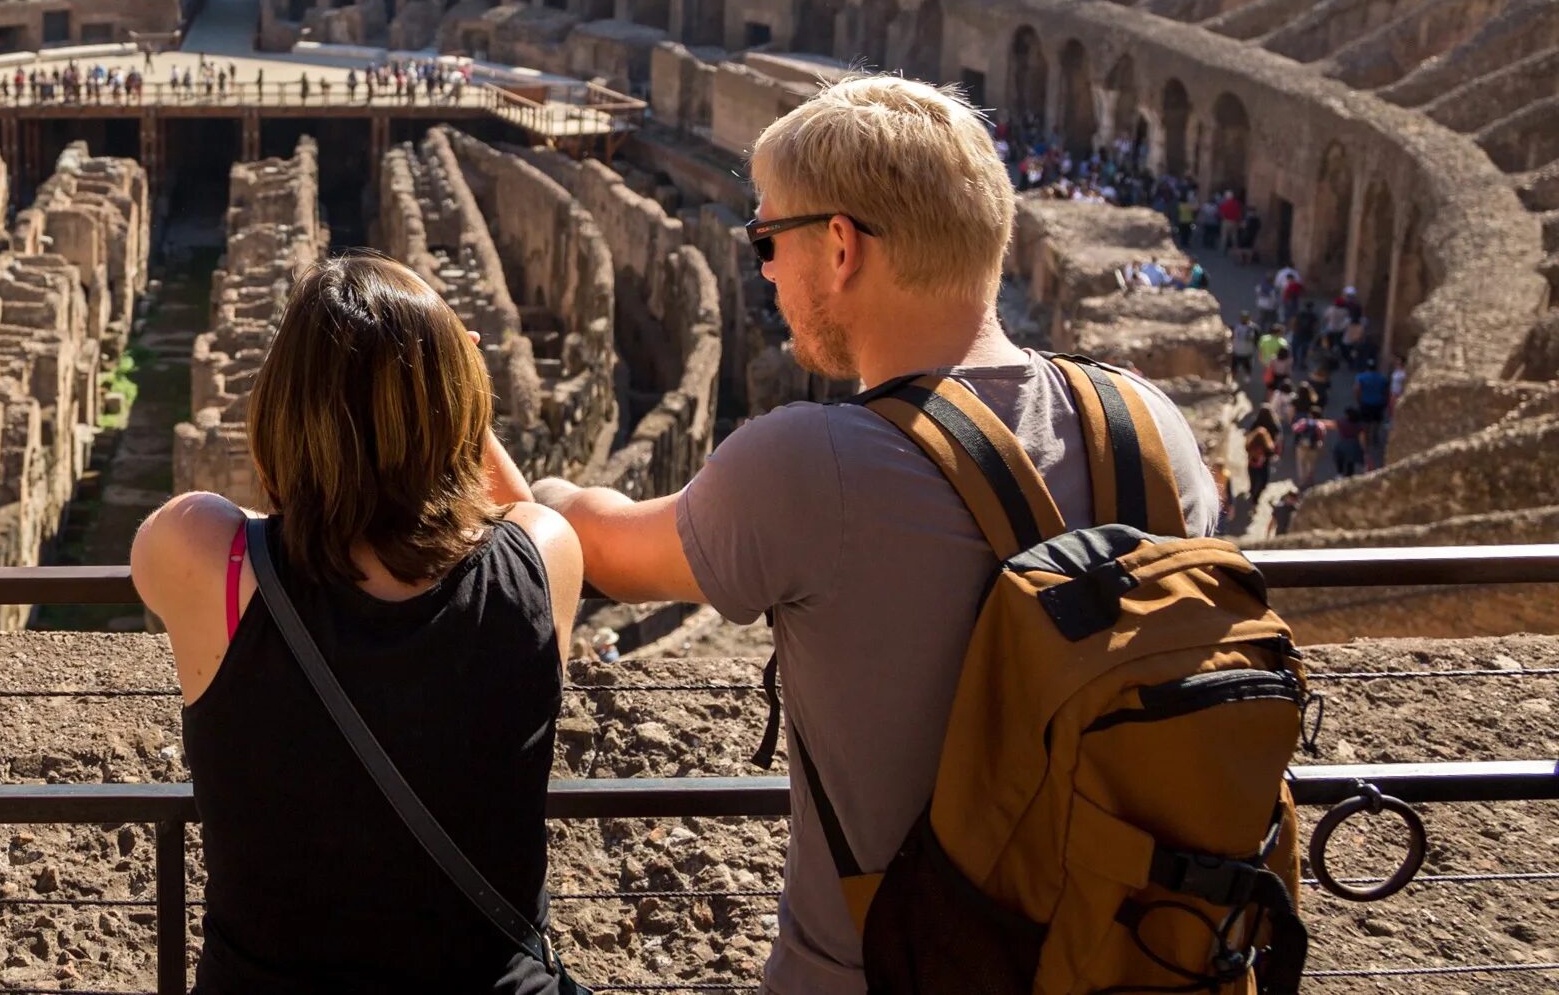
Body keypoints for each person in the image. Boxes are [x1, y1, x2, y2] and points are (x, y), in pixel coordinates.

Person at [527, 75, 1216, 995]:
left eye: (767, 238)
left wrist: (526, 487)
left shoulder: (810, 466)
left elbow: (603, 546)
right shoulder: (1153, 427)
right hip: (1144, 957)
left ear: (841, 247)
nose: (762, 267)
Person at [131, 252, 583, 994]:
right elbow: (510, 515)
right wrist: (452, 385)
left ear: (279, 406)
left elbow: (213, 521)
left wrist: (313, 468)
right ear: (459, 406)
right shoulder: (546, 554)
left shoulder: (202, 553)